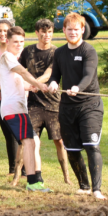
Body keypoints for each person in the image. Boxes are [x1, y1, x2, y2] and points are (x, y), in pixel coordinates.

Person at [47, 13, 106, 200]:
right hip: (67, 107)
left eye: (76, 29)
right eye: (69, 29)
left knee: (91, 146)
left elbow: (88, 76)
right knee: (72, 150)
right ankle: (84, 186)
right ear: (64, 30)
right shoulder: (59, 53)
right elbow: (55, 74)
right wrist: (53, 83)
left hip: (89, 105)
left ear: (83, 30)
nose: (72, 32)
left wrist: (78, 87)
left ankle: (96, 189)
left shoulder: (89, 51)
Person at [19, 19, 72, 185]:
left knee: (60, 141)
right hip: (33, 104)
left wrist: (35, 84)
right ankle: (34, 175)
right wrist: (27, 85)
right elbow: (19, 71)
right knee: (32, 140)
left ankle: (67, 177)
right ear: (36, 33)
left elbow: (50, 74)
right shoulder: (28, 51)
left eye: (49, 32)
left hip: (53, 103)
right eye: (43, 32)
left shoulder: (57, 52)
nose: (46, 35)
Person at [0, 26, 51, 192]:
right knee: (28, 142)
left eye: (22, 41)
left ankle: (36, 179)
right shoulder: (7, 56)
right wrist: (39, 84)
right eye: (15, 42)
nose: (19, 45)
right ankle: (32, 182)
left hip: (19, 108)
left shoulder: (12, 58)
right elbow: (22, 72)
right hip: (13, 109)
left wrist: (33, 87)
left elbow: (19, 83)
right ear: (7, 41)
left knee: (34, 141)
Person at [0, 20, 21, 176]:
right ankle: (12, 169)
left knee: (18, 134)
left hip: (15, 98)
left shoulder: (17, 50)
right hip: (0, 98)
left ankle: (25, 170)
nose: (2, 34)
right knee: (8, 135)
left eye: (5, 31)